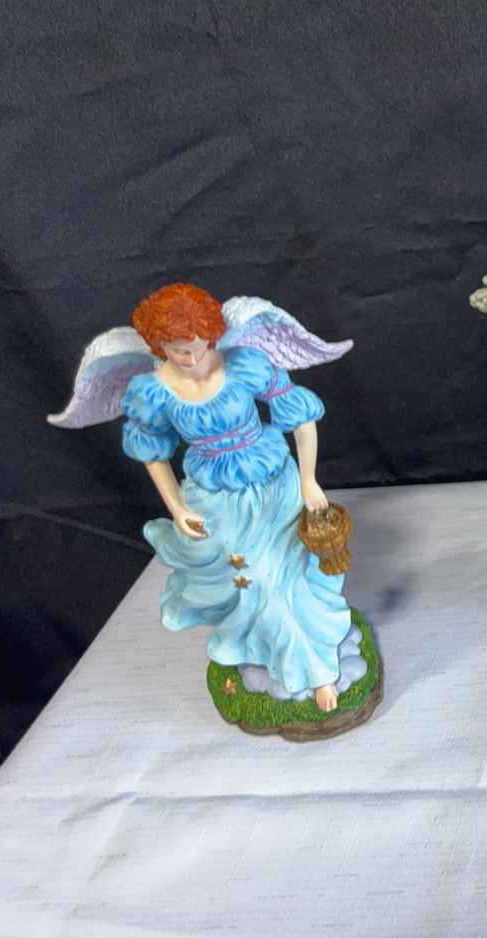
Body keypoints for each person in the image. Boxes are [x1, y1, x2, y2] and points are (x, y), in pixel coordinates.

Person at [121, 283, 352, 711]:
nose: (193, 360)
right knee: (252, 582)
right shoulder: (152, 391)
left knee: (287, 576)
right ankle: (272, 650)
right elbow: (153, 454)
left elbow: (301, 418)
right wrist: (176, 507)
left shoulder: (243, 364)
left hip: (274, 485)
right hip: (216, 500)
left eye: (201, 348)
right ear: (159, 346)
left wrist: (308, 480)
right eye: (180, 352)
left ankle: (317, 670)